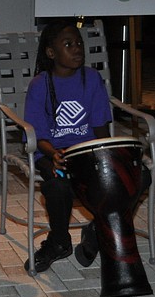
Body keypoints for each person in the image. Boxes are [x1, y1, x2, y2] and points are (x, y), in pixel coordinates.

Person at [22, 18, 148, 273]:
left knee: (140, 175)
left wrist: (107, 157)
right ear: (51, 52)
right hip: (52, 153)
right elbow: (36, 136)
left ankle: (99, 227)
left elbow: (101, 127)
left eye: (79, 43)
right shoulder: (40, 84)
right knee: (57, 185)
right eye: (68, 44)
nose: (77, 48)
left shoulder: (91, 78)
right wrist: (52, 153)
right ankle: (59, 242)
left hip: (88, 153)